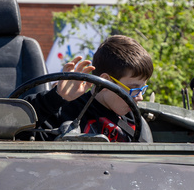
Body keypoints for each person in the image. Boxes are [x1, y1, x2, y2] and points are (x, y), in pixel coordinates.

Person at [22, 35, 153, 142]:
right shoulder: (65, 110)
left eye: (143, 89)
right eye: (133, 88)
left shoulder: (132, 119)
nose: (140, 97)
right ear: (107, 82)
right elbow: (13, 124)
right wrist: (56, 97)